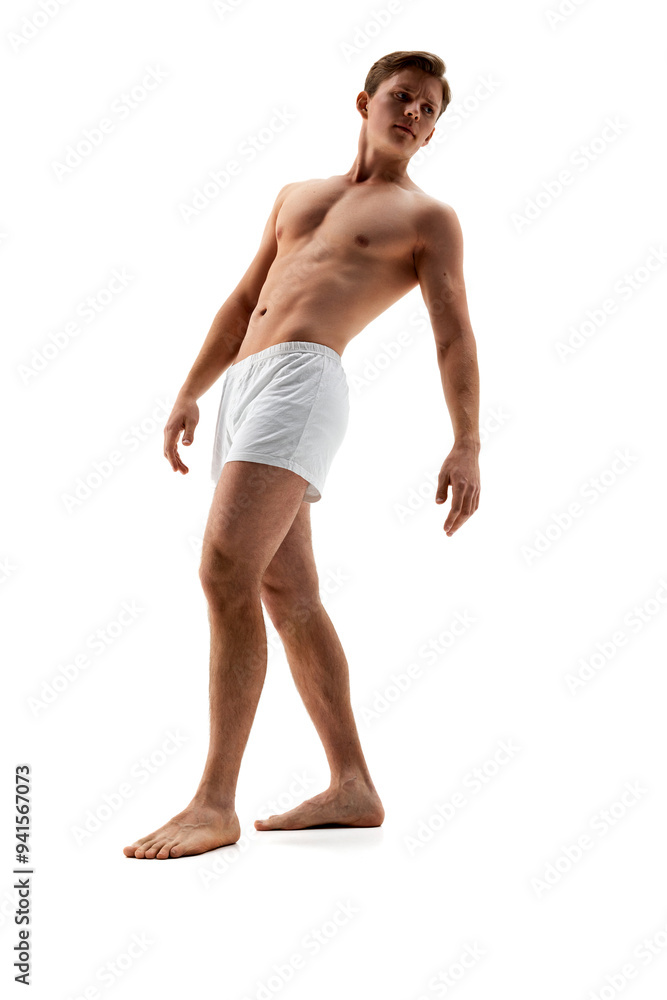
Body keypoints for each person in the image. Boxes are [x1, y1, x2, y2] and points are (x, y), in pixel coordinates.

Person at [123, 50, 480, 860]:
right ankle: (352, 784)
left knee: (223, 570)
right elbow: (245, 299)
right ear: (364, 100)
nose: (414, 116)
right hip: (244, 385)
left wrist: (466, 442)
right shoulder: (295, 195)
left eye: (429, 111)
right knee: (289, 592)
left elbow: (453, 333)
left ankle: (214, 802)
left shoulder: (426, 219)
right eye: (402, 98)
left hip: (306, 380)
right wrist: (190, 389)